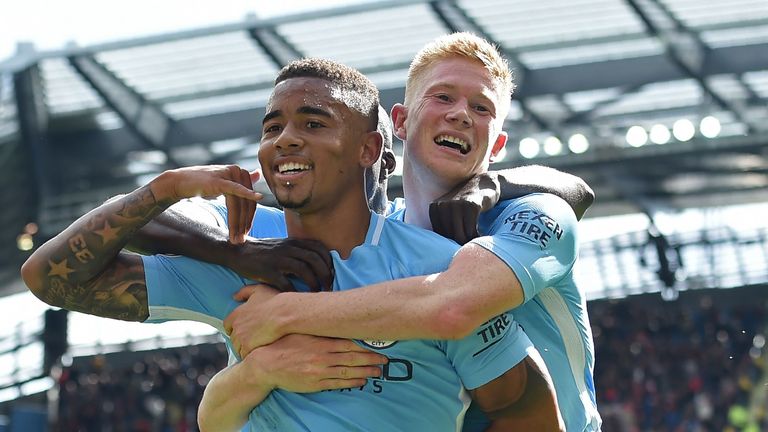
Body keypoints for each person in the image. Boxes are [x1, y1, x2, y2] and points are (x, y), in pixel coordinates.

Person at [21, 58, 562, 431]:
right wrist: (165, 189)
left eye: (313, 122)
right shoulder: (240, 264)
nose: (286, 139)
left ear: (370, 149)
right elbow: (50, 277)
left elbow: (530, 415)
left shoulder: (437, 269)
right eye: (272, 126)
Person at [222, 33, 601, 432]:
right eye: (442, 97)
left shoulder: (534, 211)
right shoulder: (375, 240)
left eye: (481, 107)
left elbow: (453, 308)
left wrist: (282, 313)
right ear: (400, 121)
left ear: (499, 144)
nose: (461, 114)